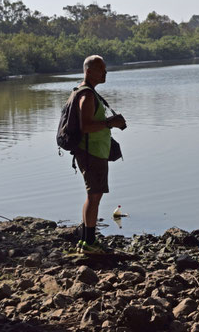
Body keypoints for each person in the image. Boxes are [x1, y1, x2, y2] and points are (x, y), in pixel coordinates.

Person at [74, 55, 126, 253]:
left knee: (93, 196)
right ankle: (89, 242)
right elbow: (85, 126)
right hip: (91, 152)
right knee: (94, 196)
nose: (105, 73)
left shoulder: (87, 93)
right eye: (101, 69)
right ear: (88, 71)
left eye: (105, 69)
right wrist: (110, 123)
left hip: (94, 151)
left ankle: (86, 240)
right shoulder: (86, 96)